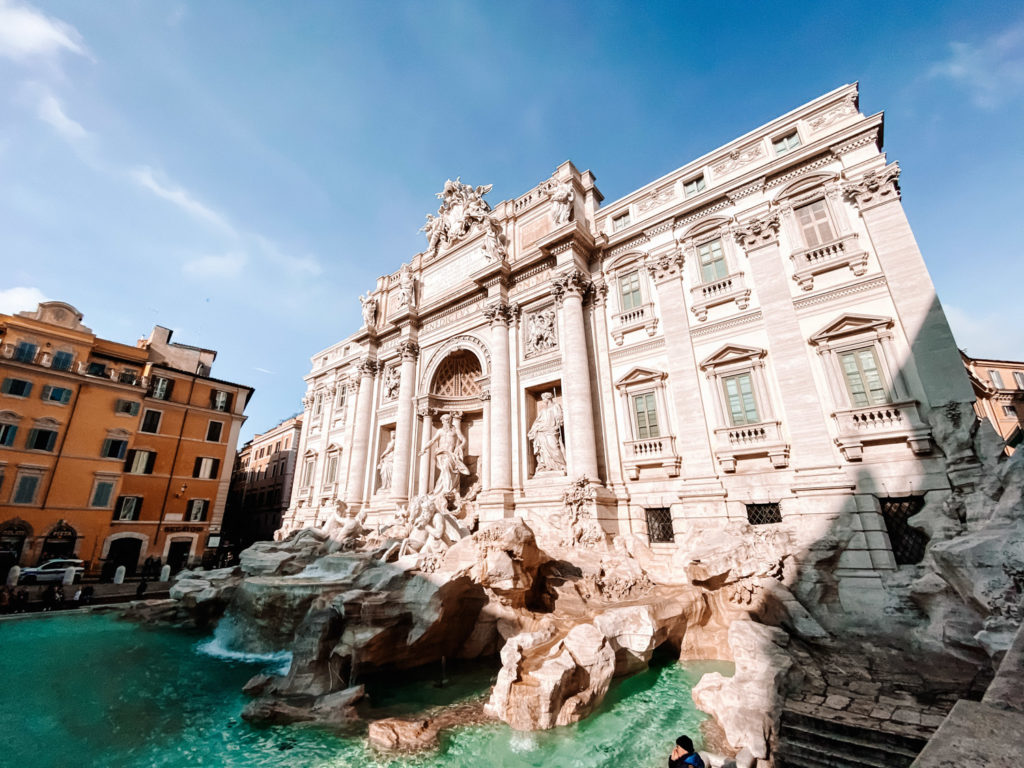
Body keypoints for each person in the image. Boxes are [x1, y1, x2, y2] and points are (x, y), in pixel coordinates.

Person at [419, 414, 469, 497]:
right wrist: (424, 448)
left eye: (449, 419)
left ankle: (445, 489)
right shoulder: (440, 431)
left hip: (451, 454)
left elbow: (464, 440)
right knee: (445, 469)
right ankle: (446, 489)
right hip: (441, 453)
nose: (447, 421)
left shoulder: (455, 430)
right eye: (445, 420)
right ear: (442, 421)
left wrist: (460, 446)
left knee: (447, 469)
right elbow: (432, 441)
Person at [528, 392, 566, 473]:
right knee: (544, 450)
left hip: (552, 430)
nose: (543, 401)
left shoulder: (556, 406)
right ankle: (548, 466)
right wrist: (535, 429)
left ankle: (561, 464)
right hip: (542, 431)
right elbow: (538, 421)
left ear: (548, 398)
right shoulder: (543, 410)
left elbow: (560, 418)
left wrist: (560, 420)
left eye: (544, 399)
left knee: (554, 447)